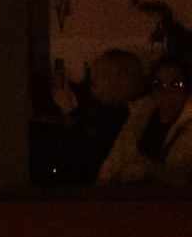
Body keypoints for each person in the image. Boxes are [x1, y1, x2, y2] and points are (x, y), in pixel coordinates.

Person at [43, 48, 146, 184]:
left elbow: (88, 163)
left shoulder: (125, 118)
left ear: (119, 81)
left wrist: (70, 113)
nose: (93, 78)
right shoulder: (99, 110)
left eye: (102, 74)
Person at [98, 59, 192, 184]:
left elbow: (182, 175)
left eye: (175, 84)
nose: (166, 91)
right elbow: (114, 160)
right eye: (158, 85)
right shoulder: (139, 115)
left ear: (187, 89)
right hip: (127, 196)